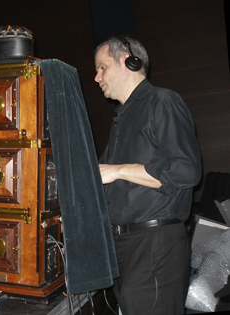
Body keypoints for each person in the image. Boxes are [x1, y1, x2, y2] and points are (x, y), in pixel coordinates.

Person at [94, 36, 202, 315]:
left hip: (155, 244)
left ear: (129, 61)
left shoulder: (162, 102)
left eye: (102, 67)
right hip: (127, 246)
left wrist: (118, 171)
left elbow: (186, 170)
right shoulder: (122, 118)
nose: (96, 77)